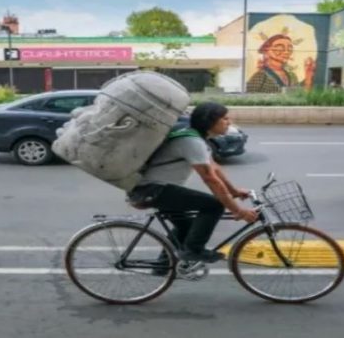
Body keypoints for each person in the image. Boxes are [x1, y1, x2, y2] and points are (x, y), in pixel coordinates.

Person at [127, 103, 259, 263]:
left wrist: (233, 191)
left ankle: (163, 264)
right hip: (154, 190)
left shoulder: (197, 138)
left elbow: (214, 168)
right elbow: (211, 179)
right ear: (210, 122)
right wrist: (238, 211)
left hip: (153, 189)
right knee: (214, 205)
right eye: (224, 119)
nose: (229, 122)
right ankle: (194, 250)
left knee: (186, 227)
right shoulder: (192, 141)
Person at [246, 34, 315, 93]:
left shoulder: (292, 76)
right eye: (279, 48)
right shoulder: (260, 76)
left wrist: (308, 75)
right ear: (266, 51)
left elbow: (299, 96)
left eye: (289, 49)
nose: (286, 52)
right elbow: (249, 98)